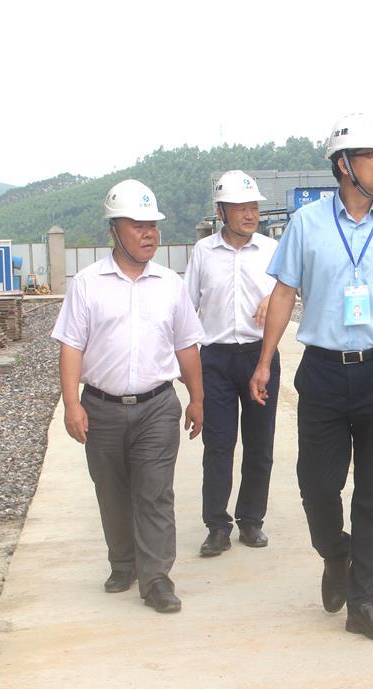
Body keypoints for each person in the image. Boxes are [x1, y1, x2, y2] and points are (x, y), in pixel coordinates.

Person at [249, 113, 373, 641]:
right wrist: (264, 361)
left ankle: (364, 603)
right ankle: (336, 552)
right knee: (316, 485)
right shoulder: (307, 224)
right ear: (343, 165)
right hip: (324, 373)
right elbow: (283, 294)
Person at [52, 179, 204, 612]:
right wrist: (72, 403)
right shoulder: (87, 284)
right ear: (114, 230)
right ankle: (123, 563)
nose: (149, 233)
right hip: (101, 407)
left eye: (152, 225)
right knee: (112, 490)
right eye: (138, 225)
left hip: (157, 406)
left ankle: (156, 579)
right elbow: (71, 346)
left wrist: (197, 398)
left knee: (155, 491)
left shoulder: (170, 284)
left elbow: (187, 346)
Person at [184, 170, 279, 557]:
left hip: (260, 356)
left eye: (254, 206)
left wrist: (273, 299)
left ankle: (251, 520)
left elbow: (289, 292)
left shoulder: (271, 250)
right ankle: (217, 526)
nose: (250, 214)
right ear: (221, 211)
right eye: (241, 208)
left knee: (259, 443)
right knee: (218, 444)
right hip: (216, 359)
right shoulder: (203, 252)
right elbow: (186, 308)